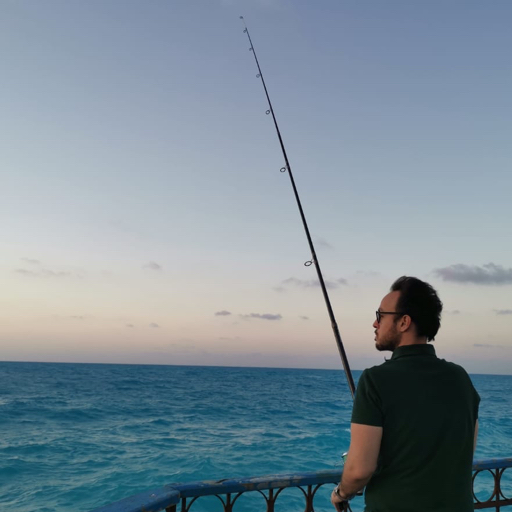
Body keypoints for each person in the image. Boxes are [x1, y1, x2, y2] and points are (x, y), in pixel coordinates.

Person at [331, 276, 480, 512]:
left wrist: (341, 493)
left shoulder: (374, 380)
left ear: (404, 322)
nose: (375, 323)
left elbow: (359, 470)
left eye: (380, 315)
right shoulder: (460, 378)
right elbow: (465, 451)